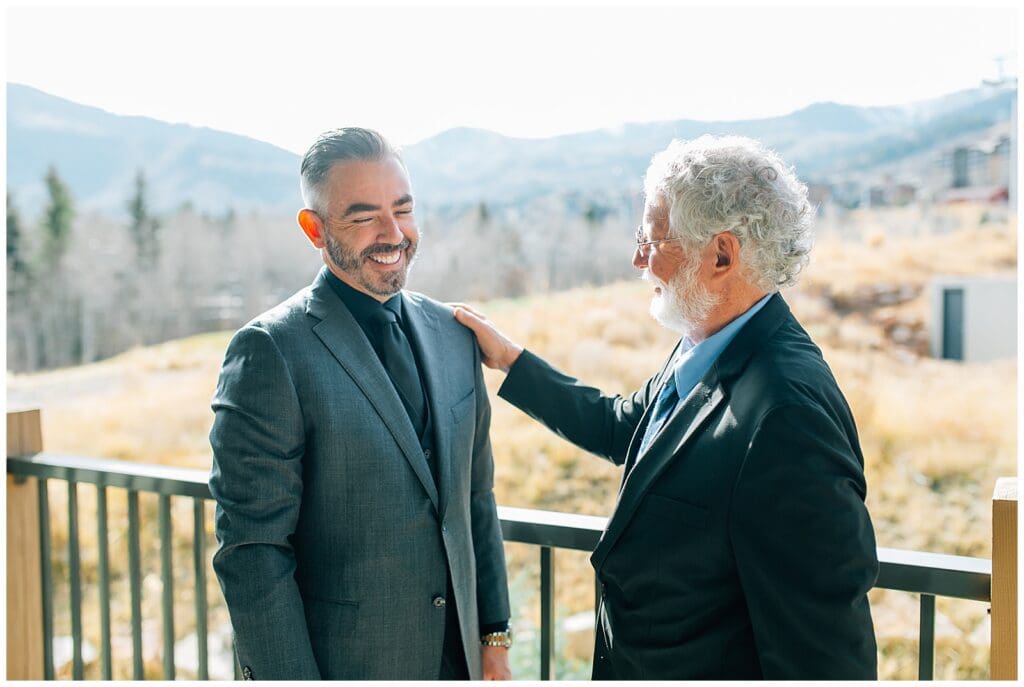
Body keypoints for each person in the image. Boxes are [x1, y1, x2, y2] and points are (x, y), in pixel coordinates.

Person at [454, 134, 878, 680]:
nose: (637, 259)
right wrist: (513, 361)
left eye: (651, 239)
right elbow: (625, 427)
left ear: (721, 254)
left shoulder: (786, 415)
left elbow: (824, 655)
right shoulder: (708, 341)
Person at [209, 127, 511, 680]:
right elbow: (253, 552)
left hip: (460, 664)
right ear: (314, 230)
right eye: (364, 216)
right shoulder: (269, 351)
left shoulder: (454, 332)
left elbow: (476, 497)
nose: (392, 233)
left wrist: (494, 637)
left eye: (403, 209)